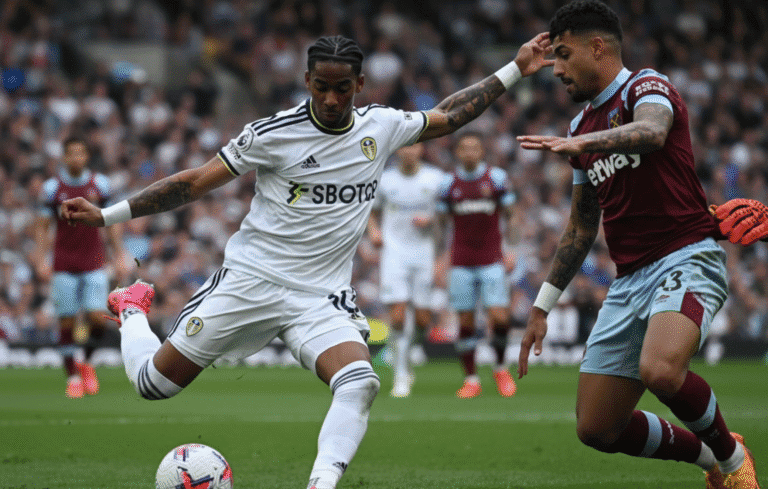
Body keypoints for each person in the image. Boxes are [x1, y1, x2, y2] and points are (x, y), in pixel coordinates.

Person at [61, 34, 553, 489]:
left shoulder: (381, 126)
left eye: (343, 89)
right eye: (322, 88)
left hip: (319, 296)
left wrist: (514, 68)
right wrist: (108, 215)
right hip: (250, 281)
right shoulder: (272, 134)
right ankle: (130, 308)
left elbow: (450, 116)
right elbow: (193, 182)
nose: (333, 99)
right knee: (153, 386)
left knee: (360, 383)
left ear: (360, 84)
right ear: (307, 83)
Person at [516, 2, 760, 488]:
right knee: (597, 428)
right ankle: (708, 460)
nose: (557, 70)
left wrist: (586, 146)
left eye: (563, 55)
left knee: (661, 371)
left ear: (597, 46)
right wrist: (542, 306)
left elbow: (652, 132)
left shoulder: (646, 86)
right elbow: (582, 228)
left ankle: (734, 465)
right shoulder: (578, 126)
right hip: (629, 280)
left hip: (687, 255)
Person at [33, 136, 127, 398]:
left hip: (94, 262)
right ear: (64, 157)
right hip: (63, 263)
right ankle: (72, 377)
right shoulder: (52, 188)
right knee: (66, 321)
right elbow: (41, 226)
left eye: (81, 153)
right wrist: (41, 258)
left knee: (97, 318)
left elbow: (112, 222)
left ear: (86, 157)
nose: (76, 158)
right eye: (71, 153)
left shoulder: (100, 184)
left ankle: (85, 363)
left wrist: (118, 254)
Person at [436, 131, 519, 399]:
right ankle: (471, 378)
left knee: (500, 317)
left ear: (482, 151)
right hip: (461, 261)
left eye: (474, 147)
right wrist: (441, 255)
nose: (469, 152)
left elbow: (511, 216)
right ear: (457, 152)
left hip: (491, 258)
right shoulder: (448, 183)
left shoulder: (496, 178)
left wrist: (512, 250)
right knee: (466, 320)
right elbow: (441, 222)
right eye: (464, 148)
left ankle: (500, 367)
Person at [367, 142, 444, 398]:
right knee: (398, 317)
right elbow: (371, 211)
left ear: (422, 150)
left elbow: (447, 215)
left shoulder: (435, 179)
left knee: (422, 319)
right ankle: (401, 376)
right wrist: (374, 232)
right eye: (405, 147)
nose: (409, 152)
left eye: (414, 147)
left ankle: (403, 351)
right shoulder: (386, 180)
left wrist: (432, 221)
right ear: (398, 150)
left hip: (425, 253)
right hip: (394, 253)